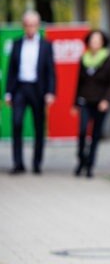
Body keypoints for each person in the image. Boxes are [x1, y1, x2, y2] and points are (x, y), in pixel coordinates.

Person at [5, 10, 56, 175]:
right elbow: (11, 70)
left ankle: (37, 163)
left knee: (39, 126)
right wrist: (8, 92)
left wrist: (50, 92)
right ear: (23, 26)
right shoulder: (17, 43)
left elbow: (50, 71)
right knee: (17, 123)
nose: (30, 28)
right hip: (20, 88)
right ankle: (18, 163)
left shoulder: (46, 45)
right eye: (27, 25)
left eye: (33, 25)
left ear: (38, 26)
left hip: (38, 89)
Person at [72, 29, 110, 178]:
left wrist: (106, 100)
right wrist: (74, 103)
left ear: (102, 43)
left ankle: (90, 165)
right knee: (82, 131)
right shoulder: (84, 59)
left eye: (98, 41)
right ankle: (81, 160)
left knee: (96, 135)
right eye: (92, 40)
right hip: (85, 100)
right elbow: (79, 82)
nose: (95, 43)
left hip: (100, 102)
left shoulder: (108, 60)